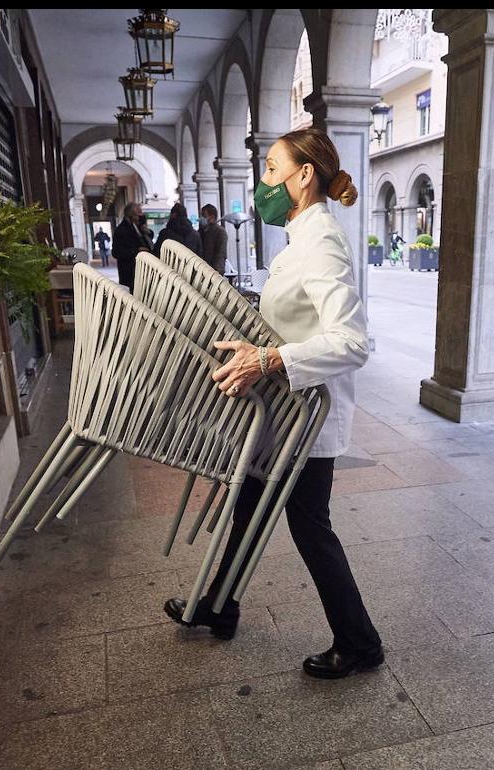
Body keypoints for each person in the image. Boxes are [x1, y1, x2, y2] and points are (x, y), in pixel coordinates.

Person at [163, 127, 383, 679]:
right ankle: (220, 606)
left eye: (270, 168)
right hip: (286, 411)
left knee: (309, 525)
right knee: (249, 503)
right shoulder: (300, 235)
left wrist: (271, 360)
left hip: (307, 417)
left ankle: (359, 643)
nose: (263, 181)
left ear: (302, 174)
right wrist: (260, 348)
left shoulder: (320, 241)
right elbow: (292, 323)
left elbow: (352, 341)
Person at [111, 203, 147, 292]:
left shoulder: (138, 227)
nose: (141, 216)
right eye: (138, 214)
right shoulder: (121, 230)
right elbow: (116, 252)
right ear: (131, 215)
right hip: (129, 272)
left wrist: (146, 231)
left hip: (141, 270)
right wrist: (136, 250)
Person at [199, 203, 228, 275]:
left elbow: (220, 254)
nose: (201, 218)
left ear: (212, 217)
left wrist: (216, 273)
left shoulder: (220, 232)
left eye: (204, 215)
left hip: (213, 272)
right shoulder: (201, 231)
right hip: (202, 270)